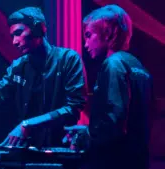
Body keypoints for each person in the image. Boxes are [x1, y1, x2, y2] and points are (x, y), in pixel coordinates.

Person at [0, 7, 87, 148]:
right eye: (12, 36)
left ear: (39, 28)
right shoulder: (17, 67)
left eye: (18, 33)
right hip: (24, 149)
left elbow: (73, 108)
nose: (14, 42)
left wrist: (28, 125)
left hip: (60, 148)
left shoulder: (68, 59)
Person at [64, 4, 154, 169]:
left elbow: (114, 121)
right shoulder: (140, 67)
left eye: (89, 35)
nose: (85, 44)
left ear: (108, 33)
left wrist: (86, 135)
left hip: (114, 161)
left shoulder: (112, 65)